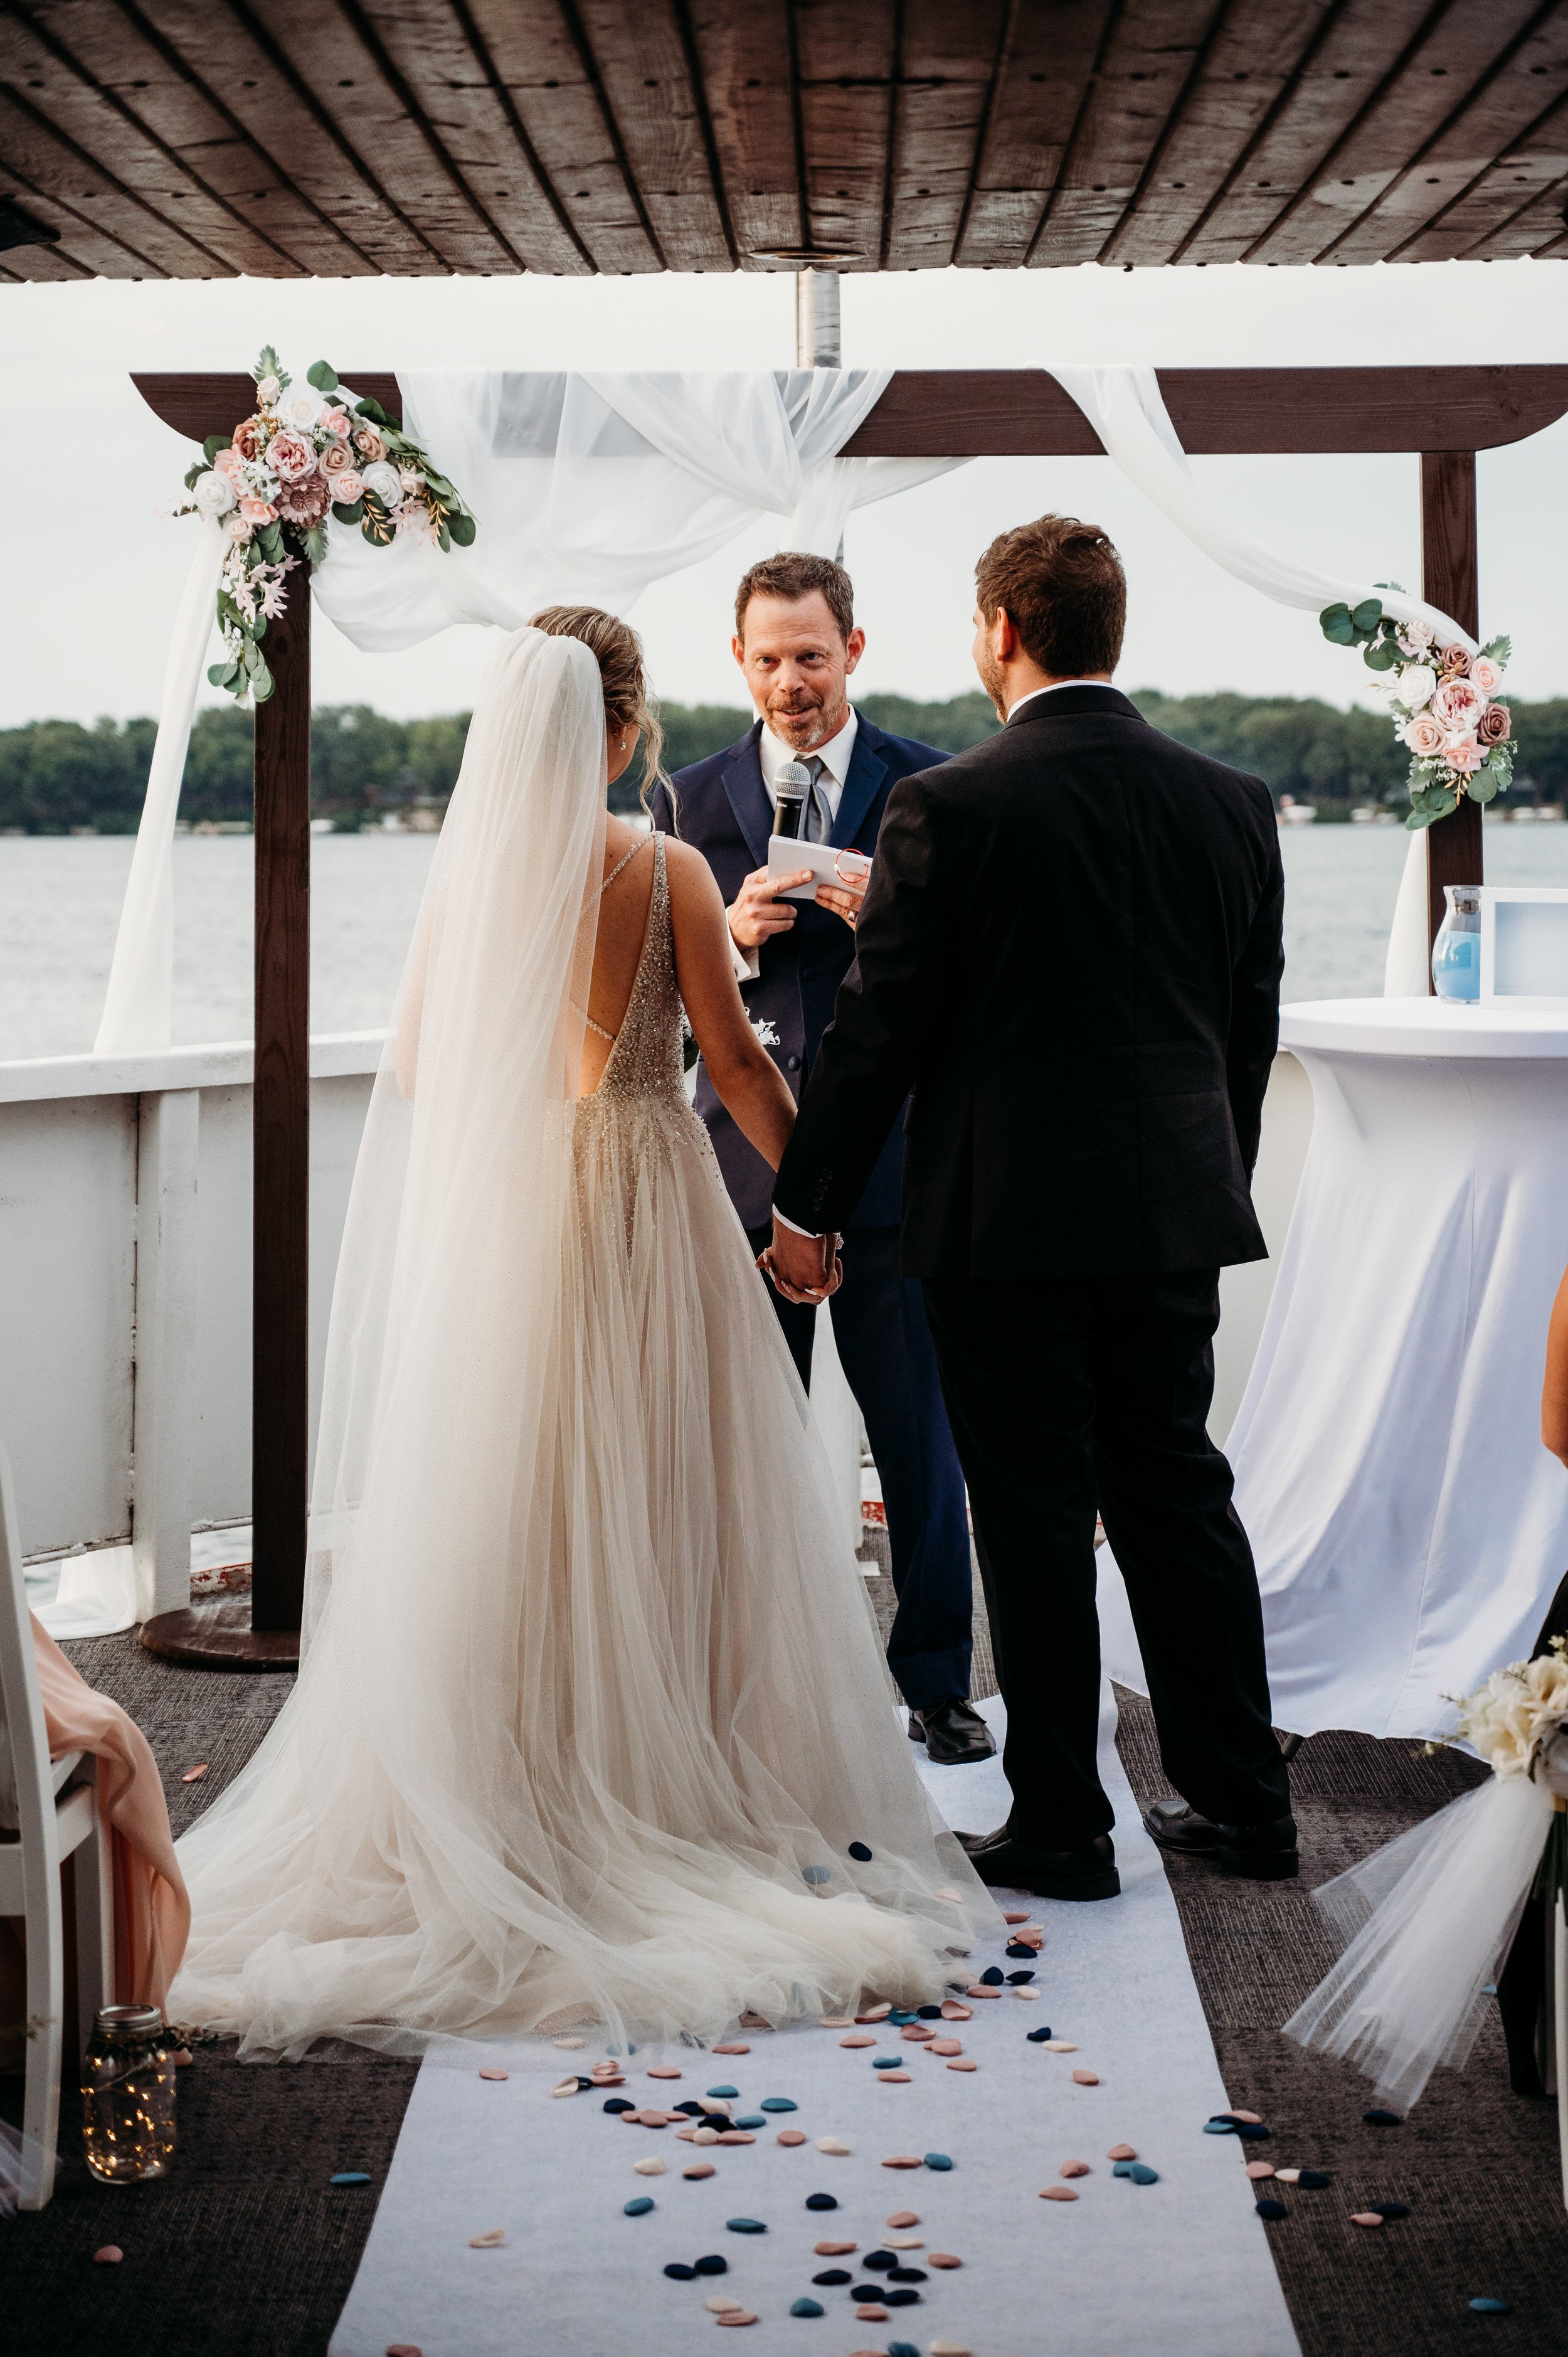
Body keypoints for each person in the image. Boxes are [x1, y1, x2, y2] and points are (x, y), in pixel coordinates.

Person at [167, 610, 987, 2059]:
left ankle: (522, 1771)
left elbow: (421, 1064)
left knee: (524, 1494)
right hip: (644, 1203)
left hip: (519, 1212)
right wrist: (810, 1215)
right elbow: (731, 1062)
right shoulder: (662, 864)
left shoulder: (469, 887)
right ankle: (668, 1777)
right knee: (671, 1493)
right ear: (623, 728)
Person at [768, 514, 1295, 1900]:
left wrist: (804, 1203)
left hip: (1001, 1229)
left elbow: (880, 1037)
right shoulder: (1230, 800)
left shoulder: (950, 806)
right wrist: (1202, 1184)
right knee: (1178, 1498)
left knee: (1035, 1515)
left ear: (999, 633)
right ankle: (1246, 1806)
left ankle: (1063, 1820)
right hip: (1172, 1218)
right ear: (1109, 631)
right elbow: (1243, 1036)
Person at [650, 553, 991, 1769]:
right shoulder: (682, 805)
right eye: (766, 658)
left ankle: (937, 1683)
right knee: (737, 1449)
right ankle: (737, 1681)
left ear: (854, 648)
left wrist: (888, 928)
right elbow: (649, 1022)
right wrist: (727, 944)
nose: (789, 681)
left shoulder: (933, 787)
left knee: (920, 1446)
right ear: (734, 662)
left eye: (809, 654)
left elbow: (978, 992)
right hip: (741, 1177)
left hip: (899, 1172)